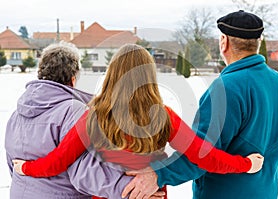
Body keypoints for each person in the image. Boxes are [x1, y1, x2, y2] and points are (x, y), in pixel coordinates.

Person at [13, 43, 263, 199]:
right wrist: (245, 164)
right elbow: (205, 157)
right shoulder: (163, 116)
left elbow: (58, 162)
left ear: (112, 74)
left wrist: (25, 168)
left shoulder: (95, 116)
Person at [121, 10, 278, 199]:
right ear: (258, 42)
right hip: (265, 192)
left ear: (224, 42)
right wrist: (267, 176)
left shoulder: (227, 88)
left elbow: (200, 152)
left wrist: (158, 174)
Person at [5, 41, 137, 199]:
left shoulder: (16, 114)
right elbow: (86, 172)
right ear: (73, 78)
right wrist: (131, 190)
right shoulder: (73, 111)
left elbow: (12, 164)